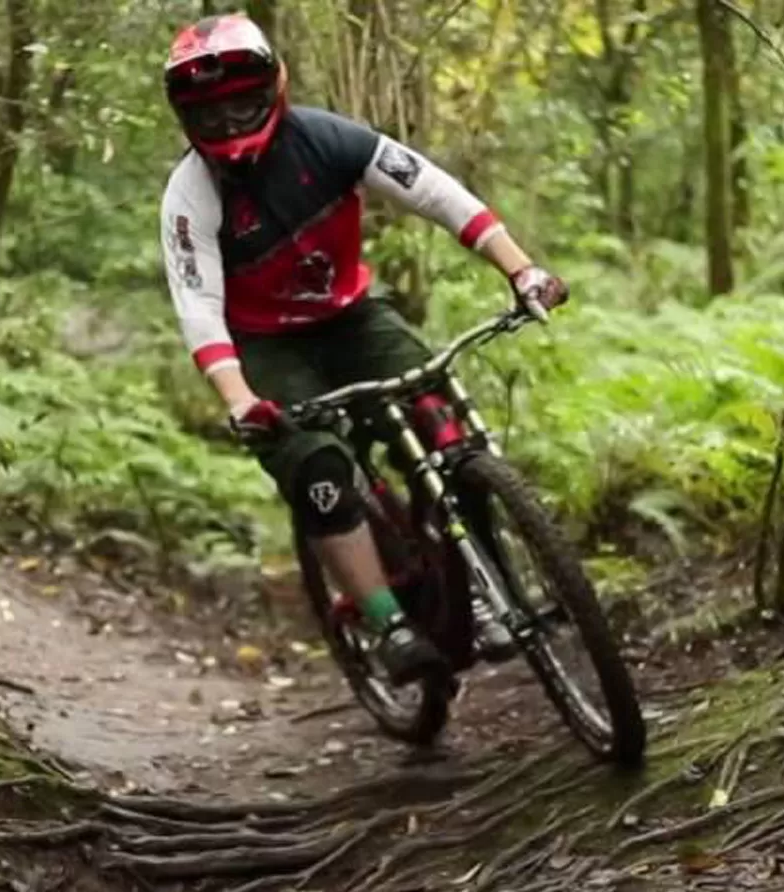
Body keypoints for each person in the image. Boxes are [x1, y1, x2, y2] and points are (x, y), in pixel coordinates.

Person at [158, 13, 569, 684]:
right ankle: (387, 621)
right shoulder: (189, 196)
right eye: (210, 113)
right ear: (186, 119)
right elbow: (198, 304)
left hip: (352, 319)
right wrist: (240, 400)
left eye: (242, 102)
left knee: (445, 425)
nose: (230, 123)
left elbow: (436, 193)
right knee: (319, 469)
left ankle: (486, 583)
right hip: (266, 347)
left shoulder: (328, 141)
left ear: (274, 86)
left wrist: (522, 270)